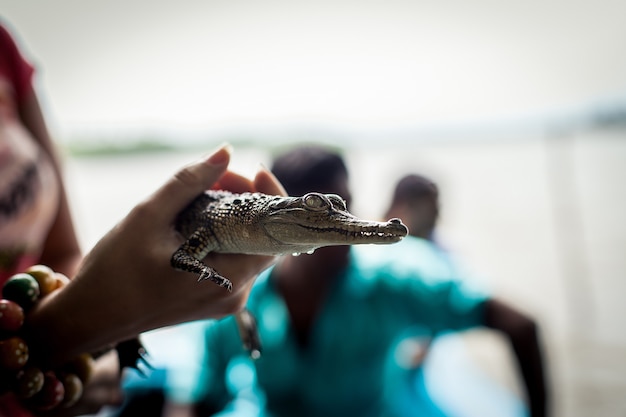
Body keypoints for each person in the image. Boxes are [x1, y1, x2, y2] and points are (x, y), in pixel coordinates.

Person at [1, 20, 285, 416]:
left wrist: (101, 349)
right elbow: (82, 314)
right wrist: (83, 324)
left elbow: (63, 253)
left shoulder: (5, 47)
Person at [162, 145, 548, 417]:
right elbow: (193, 393)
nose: (347, 224)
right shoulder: (235, 291)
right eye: (322, 211)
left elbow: (520, 323)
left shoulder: (395, 274)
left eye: (345, 204)